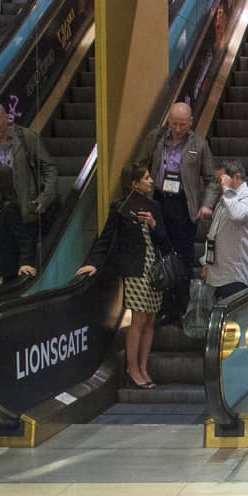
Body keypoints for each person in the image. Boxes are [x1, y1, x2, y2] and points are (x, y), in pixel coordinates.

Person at [77, 161, 170, 389]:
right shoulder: (119, 208)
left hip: (153, 268)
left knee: (150, 319)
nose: (150, 181)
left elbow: (164, 239)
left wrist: (153, 224)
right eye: (146, 177)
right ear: (134, 183)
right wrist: (93, 263)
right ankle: (132, 368)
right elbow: (106, 238)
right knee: (138, 318)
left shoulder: (153, 207)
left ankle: (143, 366)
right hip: (134, 269)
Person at [134, 102, 217, 269]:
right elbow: (139, 165)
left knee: (183, 252)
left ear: (191, 121)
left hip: (184, 205)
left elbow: (212, 180)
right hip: (157, 200)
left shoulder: (199, 144)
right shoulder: (155, 138)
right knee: (158, 248)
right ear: (168, 121)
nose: (178, 129)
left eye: (182, 124)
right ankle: (161, 290)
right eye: (174, 124)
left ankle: (181, 293)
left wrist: (207, 204)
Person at [206, 160, 248, 301]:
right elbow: (213, 232)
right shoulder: (225, 198)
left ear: (236, 177)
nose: (219, 184)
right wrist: (207, 262)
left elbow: (238, 215)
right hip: (219, 271)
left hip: (236, 274)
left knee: (232, 322)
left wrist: (226, 189)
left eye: (221, 179)